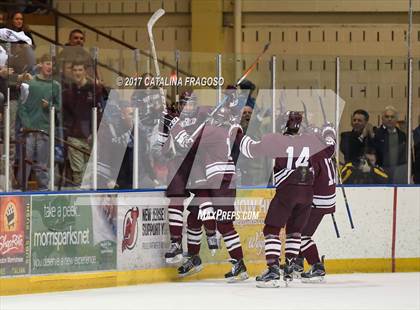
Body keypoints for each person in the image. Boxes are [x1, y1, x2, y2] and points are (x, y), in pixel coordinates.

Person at [238, 111, 335, 287]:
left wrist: (238, 131)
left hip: (287, 190)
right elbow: (330, 150)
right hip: (307, 192)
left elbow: (249, 150)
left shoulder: (276, 139)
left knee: (272, 228)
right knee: (294, 231)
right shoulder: (311, 140)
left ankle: (273, 270)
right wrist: (329, 132)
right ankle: (290, 267)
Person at [168, 90, 248, 282]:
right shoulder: (214, 126)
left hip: (223, 183)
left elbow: (186, 143)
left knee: (225, 223)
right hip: (213, 182)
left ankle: (239, 264)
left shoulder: (213, 131)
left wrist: (175, 125)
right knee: (195, 217)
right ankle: (194, 259)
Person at [16, 53, 61, 190]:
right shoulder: (29, 83)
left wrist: (50, 106)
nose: (50, 66)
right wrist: (27, 125)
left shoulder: (55, 85)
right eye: (47, 63)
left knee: (43, 163)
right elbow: (21, 106)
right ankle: (22, 188)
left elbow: (58, 107)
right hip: (29, 131)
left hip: (45, 129)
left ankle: (43, 189)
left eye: (52, 64)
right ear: (40, 64)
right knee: (26, 161)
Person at [62, 61, 103, 186]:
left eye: (80, 70)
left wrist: (93, 132)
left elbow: (98, 113)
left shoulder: (94, 89)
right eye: (75, 70)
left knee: (89, 171)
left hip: (91, 137)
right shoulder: (68, 91)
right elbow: (66, 115)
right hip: (74, 137)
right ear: (71, 72)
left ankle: (88, 198)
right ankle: (80, 198)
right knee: (78, 171)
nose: (77, 73)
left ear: (85, 71)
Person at [373, 106, 407, 184]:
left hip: (399, 173)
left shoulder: (402, 135)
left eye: (392, 117)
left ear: (396, 119)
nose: (389, 119)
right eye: (387, 116)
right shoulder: (376, 134)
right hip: (381, 173)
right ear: (382, 119)